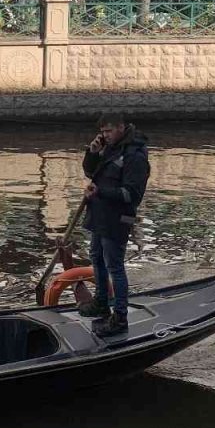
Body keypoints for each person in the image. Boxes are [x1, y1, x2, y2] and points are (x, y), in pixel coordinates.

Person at [80, 113, 151, 338]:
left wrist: (101, 192)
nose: (104, 136)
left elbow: (132, 194)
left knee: (115, 266)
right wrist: (91, 154)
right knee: (96, 257)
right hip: (100, 215)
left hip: (118, 219)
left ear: (121, 127)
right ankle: (102, 302)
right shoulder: (111, 148)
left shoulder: (135, 156)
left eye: (108, 131)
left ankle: (120, 317)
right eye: (102, 132)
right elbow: (92, 173)